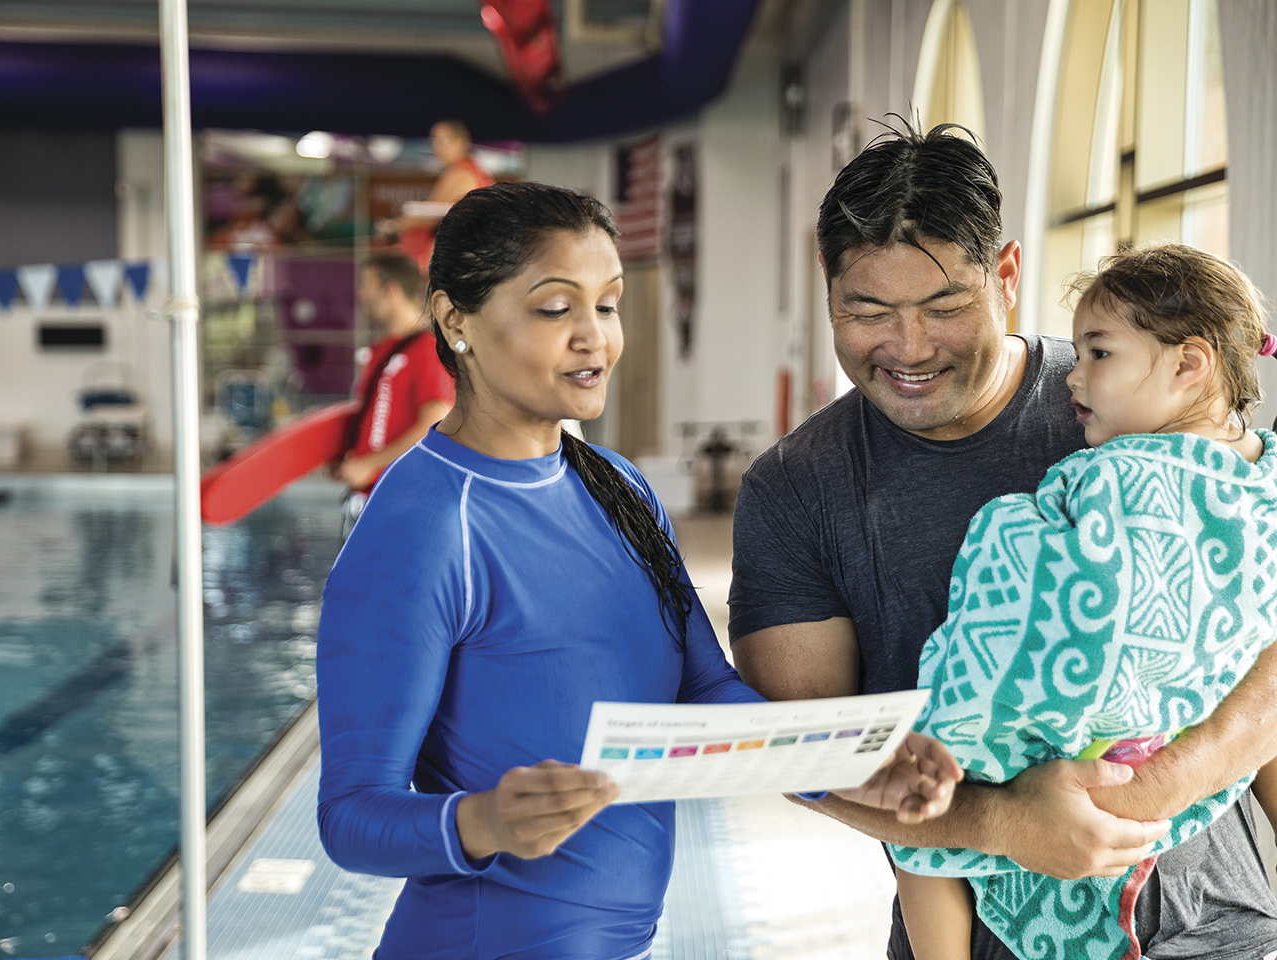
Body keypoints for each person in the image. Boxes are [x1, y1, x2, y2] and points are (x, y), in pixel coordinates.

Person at [316, 181, 961, 960]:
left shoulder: (615, 486)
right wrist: (479, 822)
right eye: (557, 309)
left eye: (609, 304)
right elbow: (351, 815)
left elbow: (702, 690)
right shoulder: (421, 527)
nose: (596, 338)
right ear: (456, 321)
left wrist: (849, 763)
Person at [728, 123, 1277, 960]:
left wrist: (1162, 785)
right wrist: (1007, 822)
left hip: (1218, 916)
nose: (908, 349)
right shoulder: (794, 489)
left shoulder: (1130, 396)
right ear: (827, 290)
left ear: (1007, 275)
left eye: (945, 307)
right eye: (866, 312)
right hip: (988, 929)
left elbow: (1255, 614)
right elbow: (804, 747)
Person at [888, 243, 1277, 960]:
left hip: (1103, 741)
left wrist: (1009, 531)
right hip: (1165, 777)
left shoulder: (1118, 476)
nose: (1077, 373)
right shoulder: (1262, 473)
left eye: (1099, 354)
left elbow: (1040, 574)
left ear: (1191, 364)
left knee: (928, 774)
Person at [331, 253, 455, 528]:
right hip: (372, 499)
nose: (361, 294)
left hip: (405, 502)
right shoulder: (379, 351)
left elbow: (434, 427)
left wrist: (370, 466)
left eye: (367, 285)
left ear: (391, 290)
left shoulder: (428, 350)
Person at [380, 120, 494, 272]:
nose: (435, 147)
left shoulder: (461, 173)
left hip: (456, 258)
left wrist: (393, 225)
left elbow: (427, 215)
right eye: (433, 141)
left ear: (460, 142)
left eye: (441, 141)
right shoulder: (466, 170)